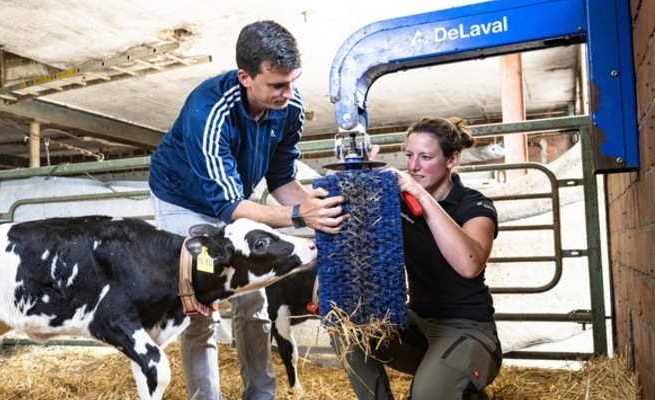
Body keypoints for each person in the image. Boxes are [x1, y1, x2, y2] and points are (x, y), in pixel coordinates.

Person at [148, 20, 346, 400]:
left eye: (292, 81)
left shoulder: (290, 105)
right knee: (199, 307)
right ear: (245, 77)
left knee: (253, 299)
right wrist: (300, 216)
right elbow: (227, 208)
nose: (288, 93)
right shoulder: (208, 111)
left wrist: (318, 206)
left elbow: (281, 178)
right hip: (184, 203)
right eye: (276, 85)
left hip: (235, 197)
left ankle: (261, 394)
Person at [333, 117, 502, 400]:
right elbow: (359, 239)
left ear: (452, 160)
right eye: (409, 155)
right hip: (418, 325)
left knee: (425, 396)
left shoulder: (474, 205)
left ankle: (460, 387)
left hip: (469, 330)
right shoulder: (398, 203)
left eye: (426, 157)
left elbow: (469, 263)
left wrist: (420, 195)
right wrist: (360, 183)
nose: (413, 166)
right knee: (346, 326)